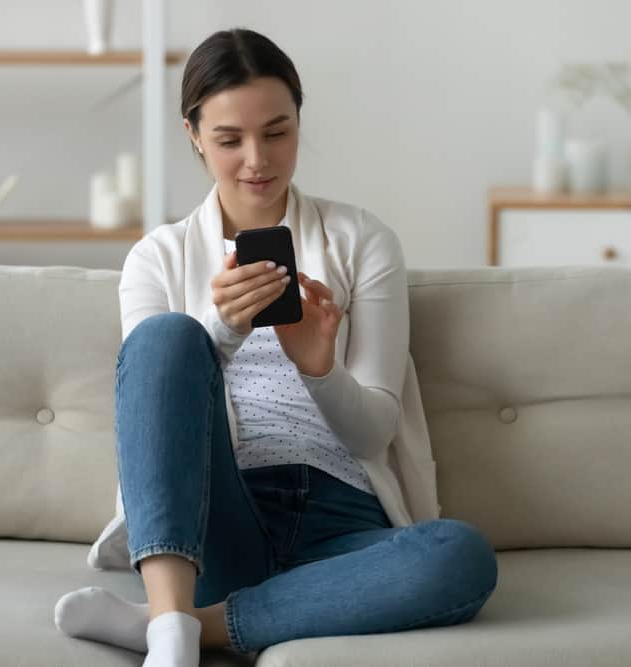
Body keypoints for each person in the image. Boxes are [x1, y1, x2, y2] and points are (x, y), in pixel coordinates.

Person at [53, 28, 498, 667]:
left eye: (277, 131)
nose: (257, 160)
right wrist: (224, 327)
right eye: (230, 140)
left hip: (340, 526)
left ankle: (175, 627)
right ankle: (174, 616)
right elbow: (152, 402)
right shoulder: (157, 258)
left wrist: (320, 368)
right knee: (166, 336)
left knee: (461, 556)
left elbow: (374, 436)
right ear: (193, 135)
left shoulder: (362, 240)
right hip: (219, 518)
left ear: (298, 120)